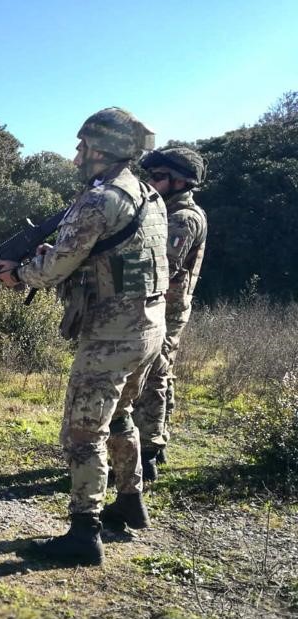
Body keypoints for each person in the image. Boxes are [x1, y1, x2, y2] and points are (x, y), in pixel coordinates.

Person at [0, 107, 168, 564]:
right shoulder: (149, 195)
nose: (75, 158)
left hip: (111, 334)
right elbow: (117, 257)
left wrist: (21, 276)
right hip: (149, 326)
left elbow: (57, 266)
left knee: (82, 433)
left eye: (81, 148)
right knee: (121, 416)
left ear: (101, 149)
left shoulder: (98, 200)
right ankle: (129, 503)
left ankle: (83, 534)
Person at [133, 146, 209, 480]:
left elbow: (159, 267)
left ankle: (147, 452)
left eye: (158, 176)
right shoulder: (164, 211)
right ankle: (157, 442)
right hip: (162, 304)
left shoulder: (182, 218)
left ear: (180, 182)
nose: (150, 182)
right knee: (161, 372)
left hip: (166, 307)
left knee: (154, 374)